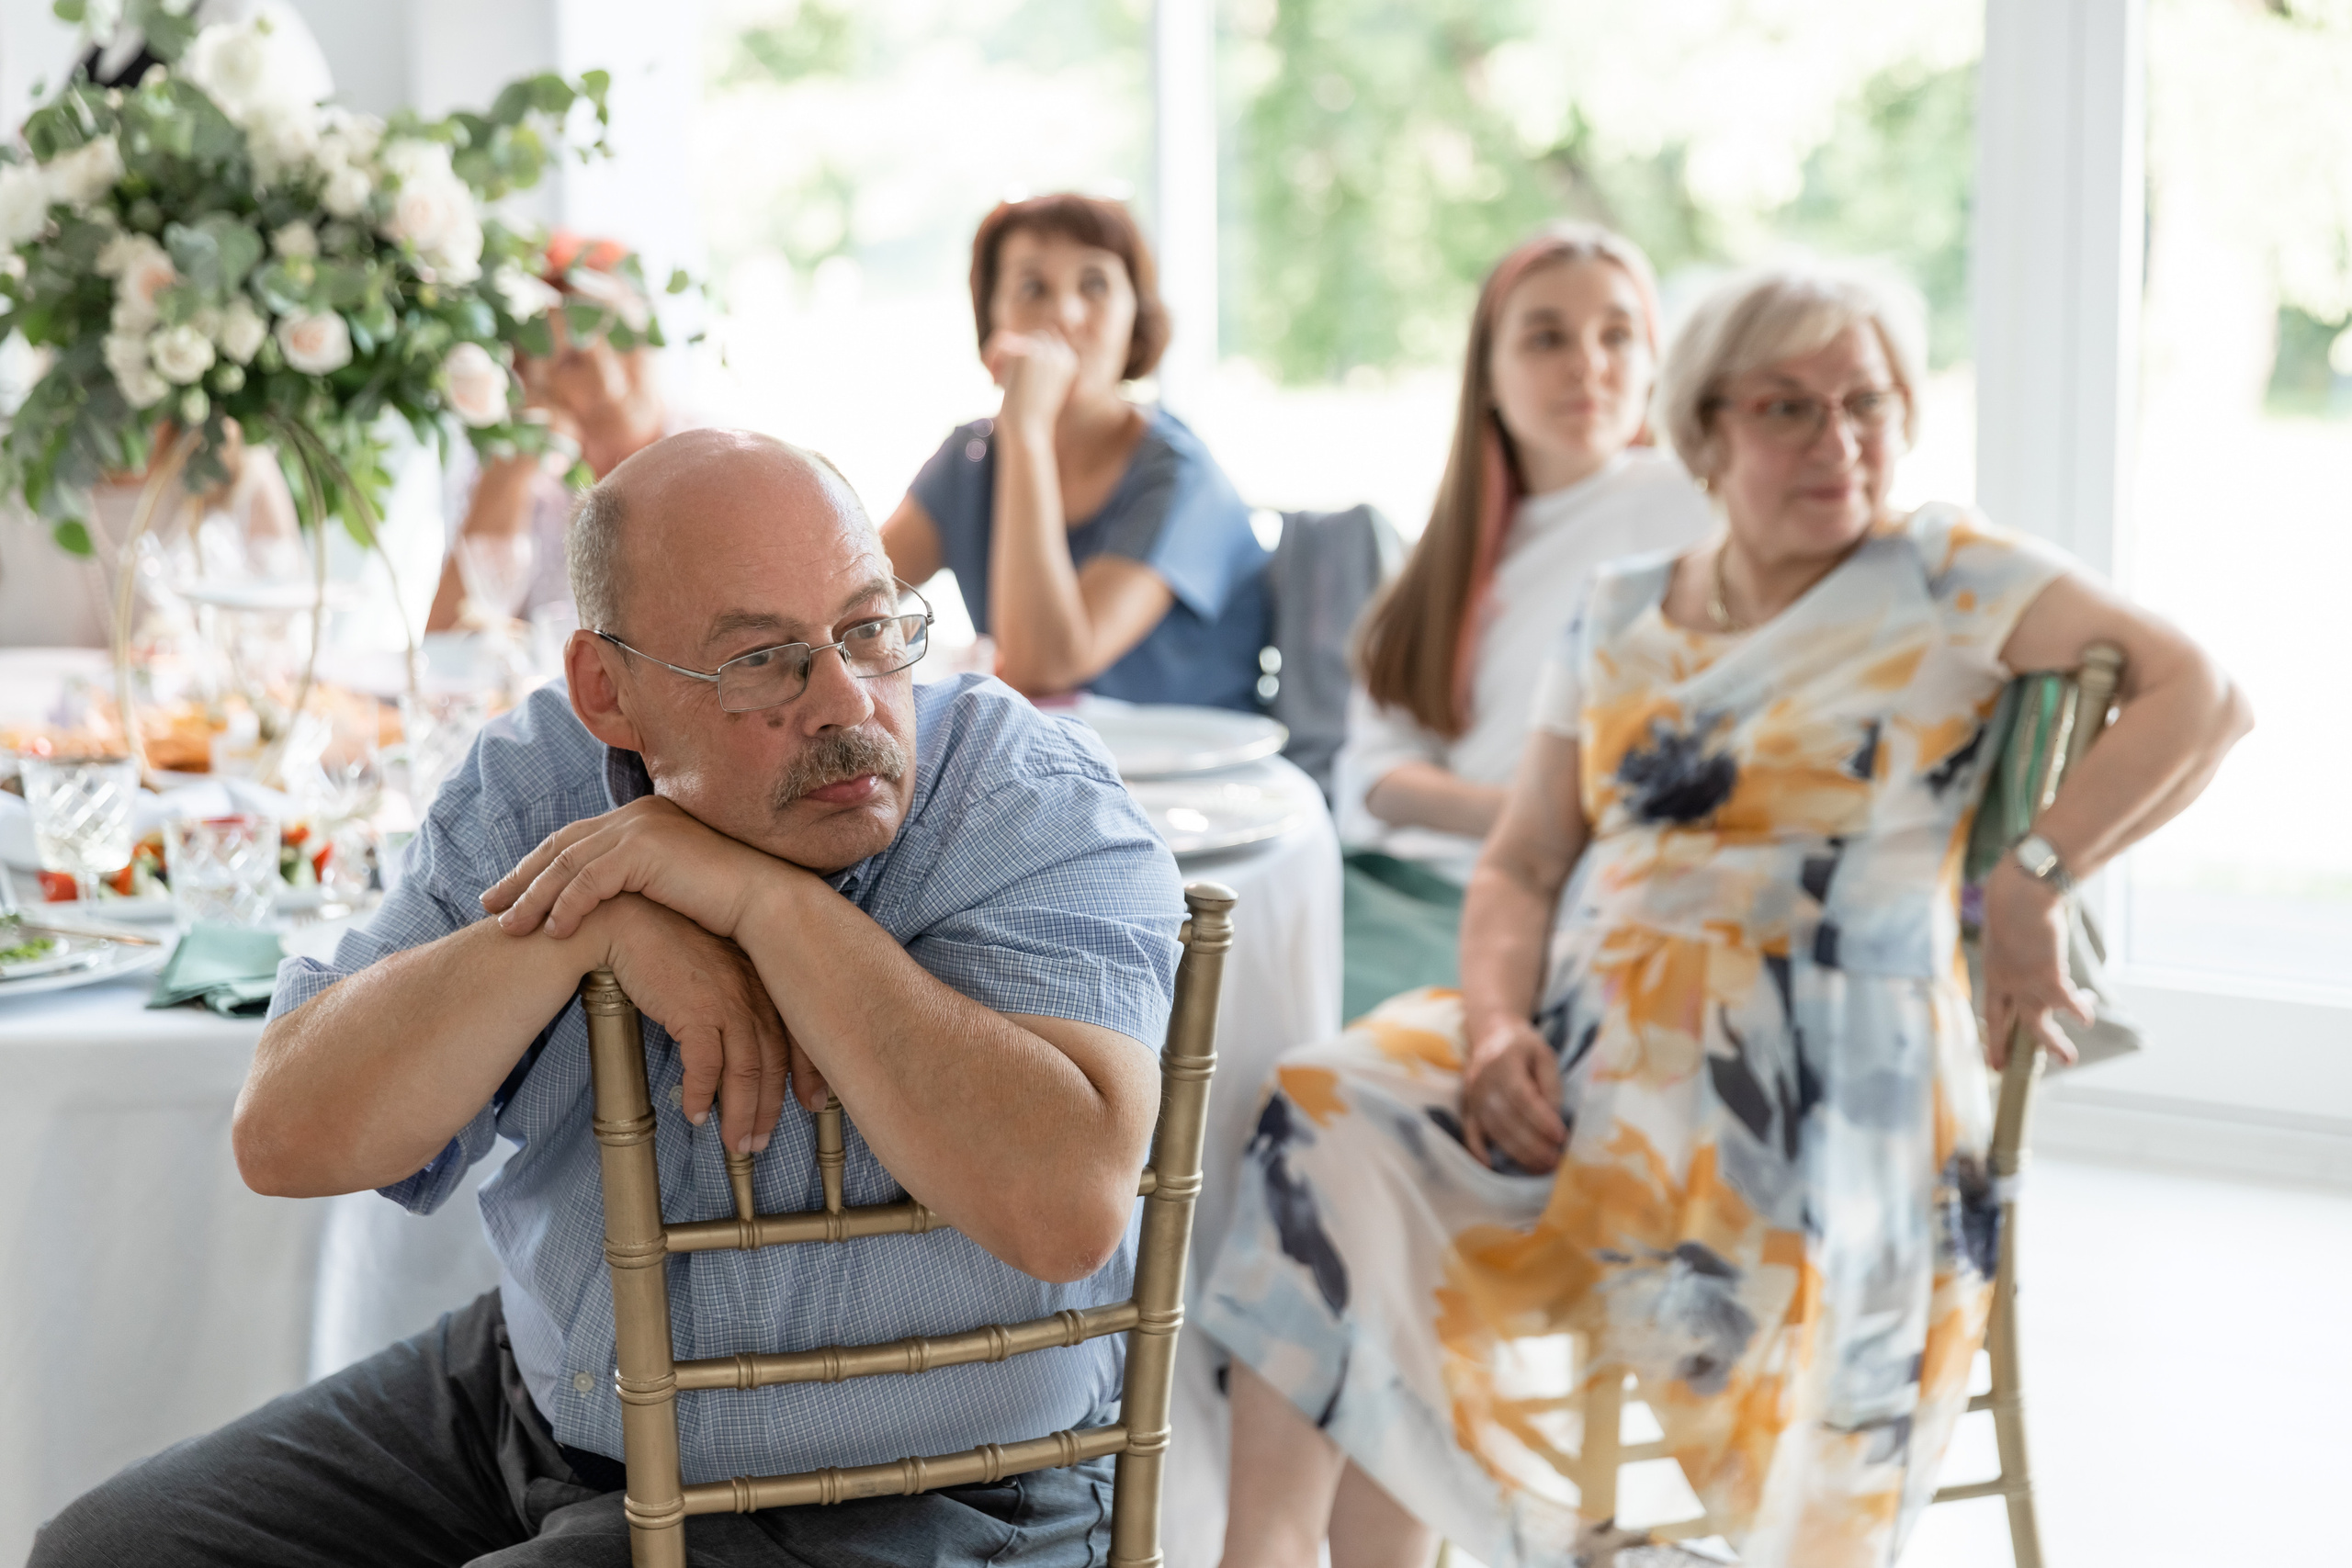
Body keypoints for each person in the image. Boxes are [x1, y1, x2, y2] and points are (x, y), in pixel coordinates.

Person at [1198, 266, 2252, 1568]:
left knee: (1535, 1167)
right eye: (1789, 408)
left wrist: (2033, 874)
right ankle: (1271, 1547)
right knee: (1325, 1105)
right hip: (1586, 1051)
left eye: (1866, 402)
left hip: (1818, 1084)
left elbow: (2199, 692)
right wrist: (1486, 1029)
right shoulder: (1625, 605)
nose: (1841, 438)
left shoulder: (1944, 571)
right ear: (1704, 432)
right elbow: (1525, 863)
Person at [33, 430, 1186, 1567]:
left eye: (870, 629)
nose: (846, 701)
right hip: (543, 1415)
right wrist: (582, 921)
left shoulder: (1023, 798)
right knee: (103, 1551)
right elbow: (286, 1132)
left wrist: (763, 907)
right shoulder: (535, 778)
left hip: (931, 1493)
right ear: (607, 689)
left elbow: (1066, 1205)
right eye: (761, 660)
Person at [1333, 224, 1713, 1021]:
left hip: (1545, 904)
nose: (1588, 364)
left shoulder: (1696, 509)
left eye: (1618, 334)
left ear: (1654, 363)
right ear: (1489, 376)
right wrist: (1528, 816)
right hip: (1384, 882)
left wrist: (1532, 836)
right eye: (1546, 337)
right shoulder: (1439, 562)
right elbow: (1374, 777)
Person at [882, 195, 1269, 710]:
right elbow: (847, 601)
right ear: (991, 319)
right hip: (1055, 764)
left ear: (1136, 315)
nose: (1064, 315)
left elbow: (1045, 666)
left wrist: (1026, 429)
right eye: (1032, 287)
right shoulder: (970, 460)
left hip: (1195, 773)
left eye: (1095, 284)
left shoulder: (1179, 476)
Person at [426, 232, 670, 632]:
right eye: (573, 361)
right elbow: (444, 643)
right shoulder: (524, 475)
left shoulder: (719, 457)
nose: (609, 384)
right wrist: (513, 469)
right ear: (531, 382)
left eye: (620, 336)